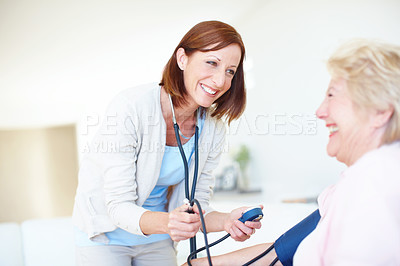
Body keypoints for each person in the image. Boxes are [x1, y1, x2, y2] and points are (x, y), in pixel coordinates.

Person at [185, 39, 400, 266]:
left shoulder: (375, 184)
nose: (319, 111)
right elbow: (279, 253)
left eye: (331, 95)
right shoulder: (358, 182)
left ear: (380, 112)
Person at [72, 20, 262, 266]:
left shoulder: (213, 127)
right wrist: (170, 222)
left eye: (230, 71)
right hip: (104, 236)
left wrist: (227, 220)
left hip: (157, 238)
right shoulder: (131, 107)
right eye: (212, 63)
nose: (219, 80)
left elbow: (196, 205)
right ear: (182, 58)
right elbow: (118, 206)